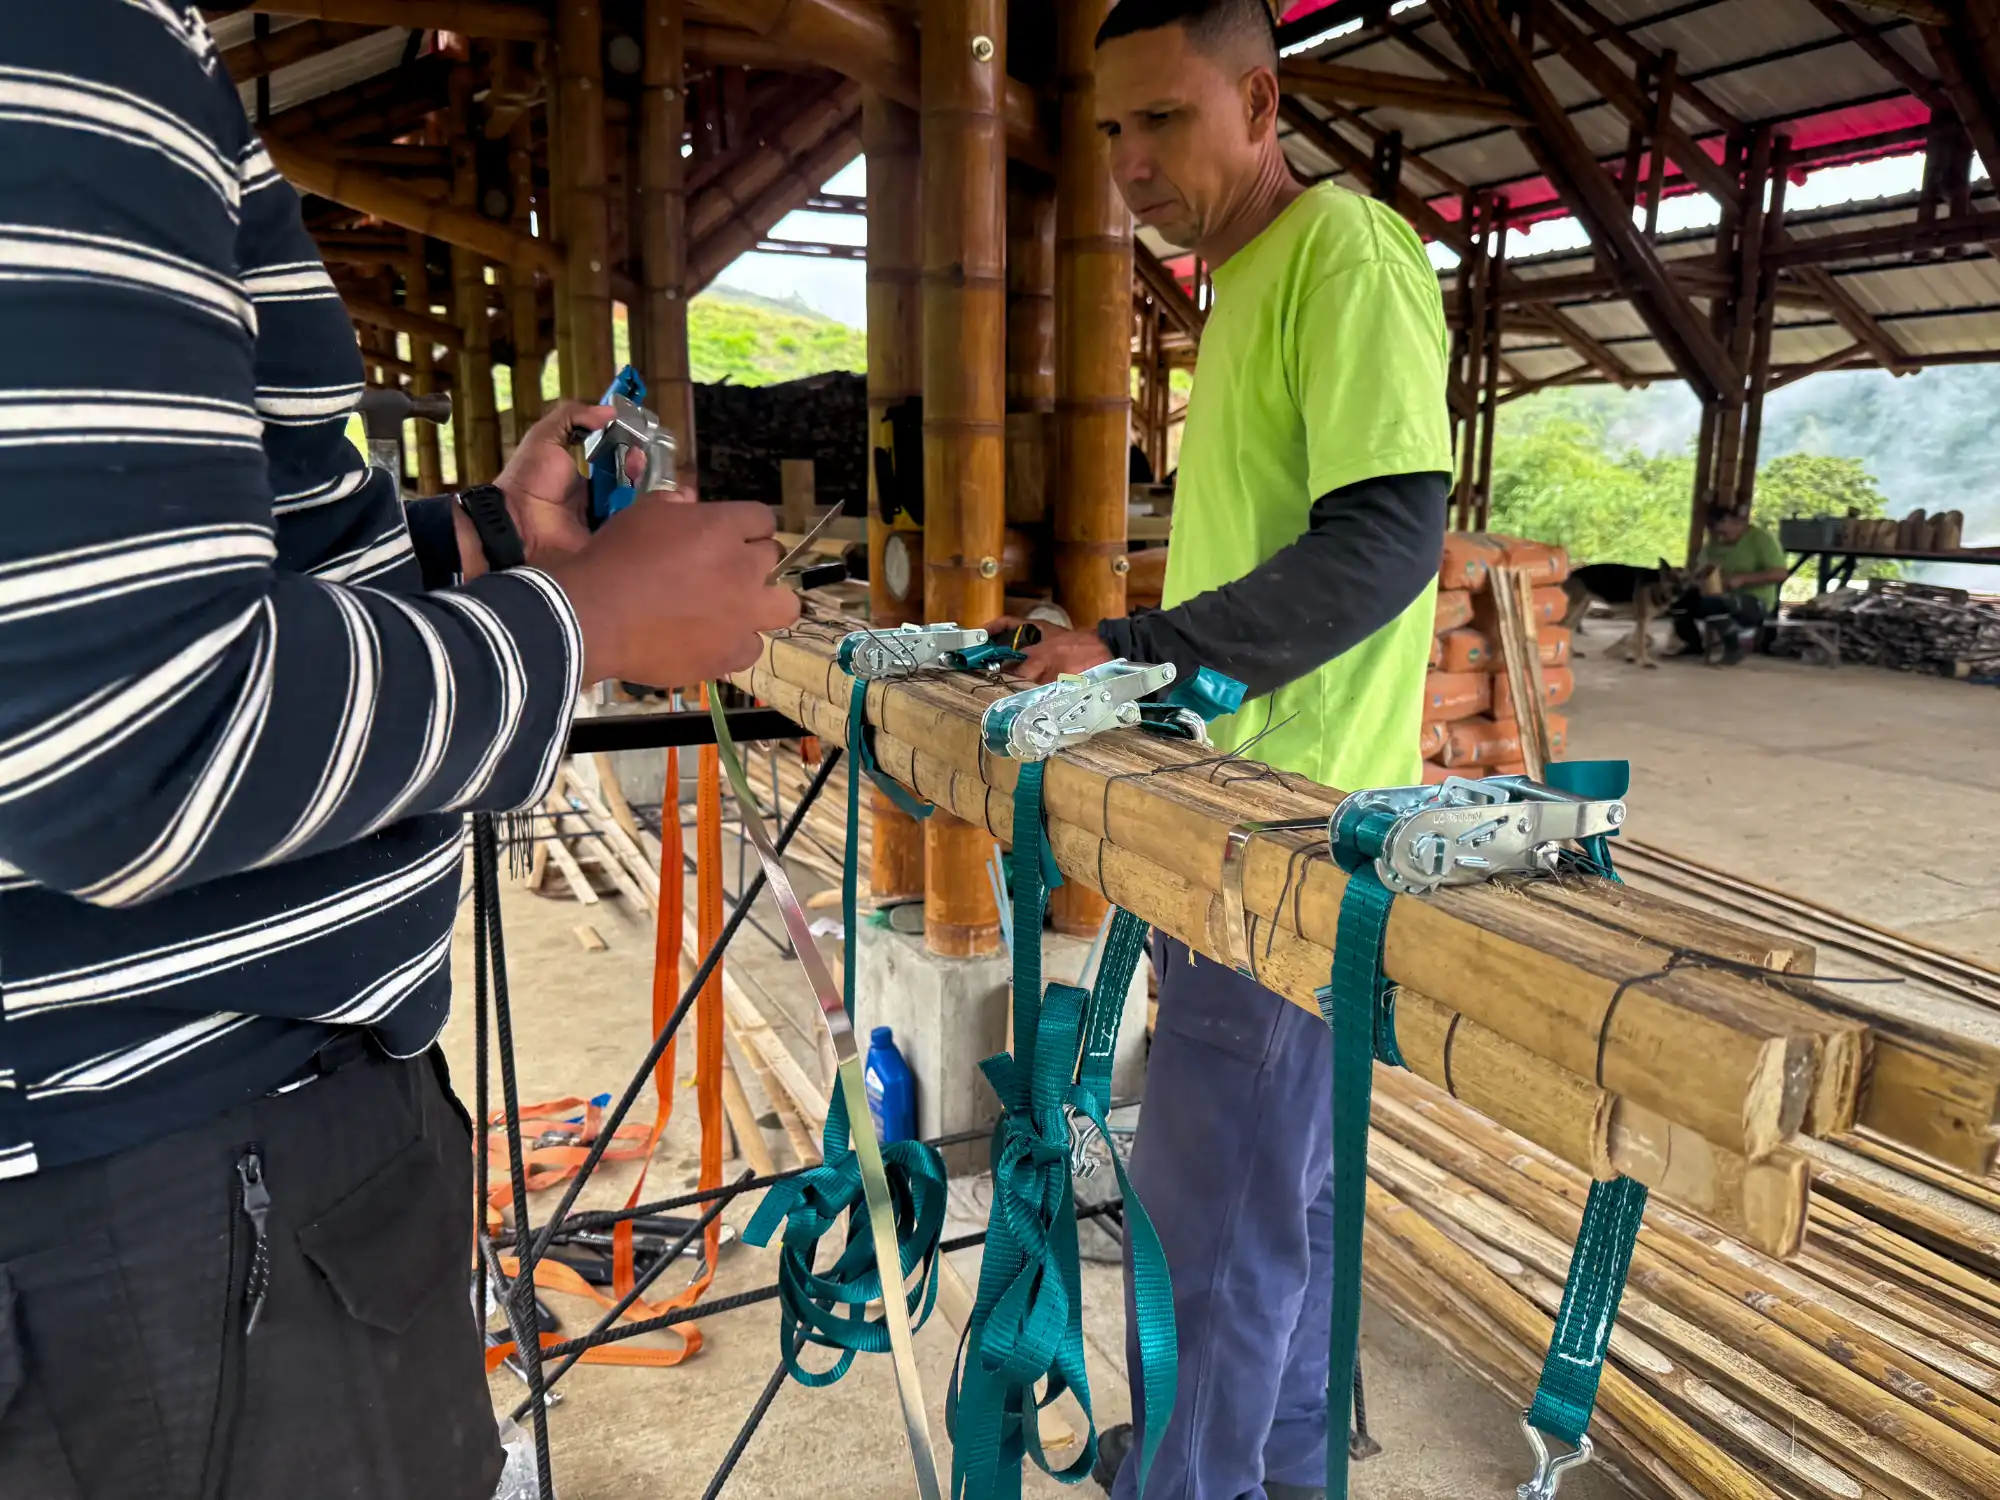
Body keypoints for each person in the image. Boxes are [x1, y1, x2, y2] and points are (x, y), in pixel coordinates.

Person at [0, 8, 797, 1499]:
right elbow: (126, 734)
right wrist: (584, 623)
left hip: (142, 1186)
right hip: (164, 1206)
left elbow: (110, 588)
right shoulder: (64, 34)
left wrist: (475, 543)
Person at [993, 3, 1451, 1497]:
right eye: (1111, 130)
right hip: (1268, 813)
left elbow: (1387, 540)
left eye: (1163, 122)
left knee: (1208, 1232)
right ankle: (1278, 1476)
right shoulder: (1247, 276)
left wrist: (1137, 656)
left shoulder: (1343, 252)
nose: (1128, 162)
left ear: (1261, 100)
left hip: (1289, 836)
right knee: (1283, 1215)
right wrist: (1139, 648)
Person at [1672, 506, 1790, 664]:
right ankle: (1693, 645)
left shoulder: (1761, 539)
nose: (1720, 539)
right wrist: (1699, 578)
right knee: (1678, 600)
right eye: (1716, 534)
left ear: (1736, 523)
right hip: (1718, 594)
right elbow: (1703, 568)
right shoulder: (1714, 543)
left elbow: (1780, 573)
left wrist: (1742, 579)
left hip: (1754, 601)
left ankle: (1734, 648)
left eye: (1723, 533)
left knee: (1715, 604)